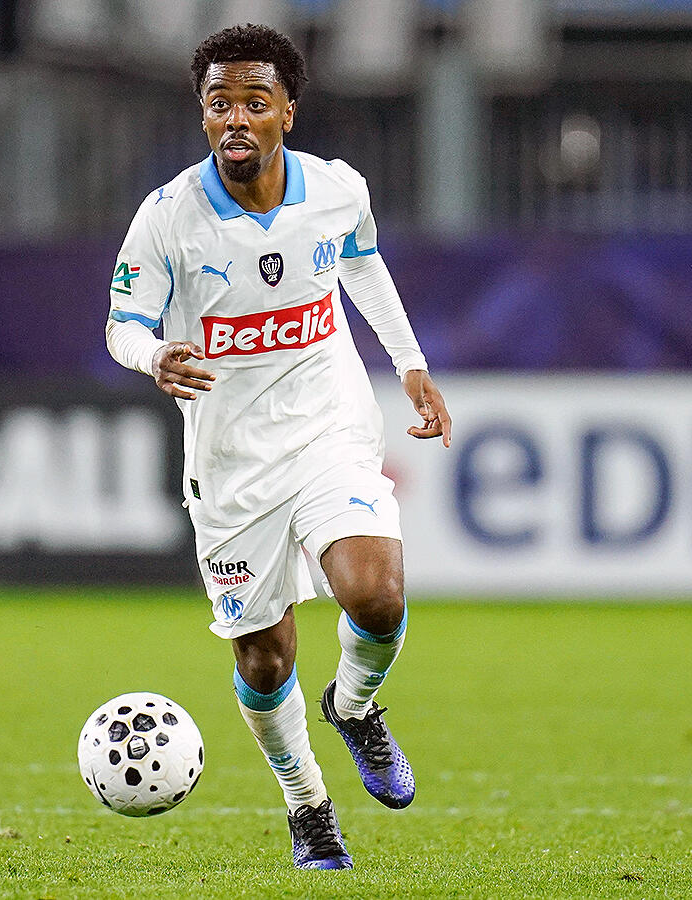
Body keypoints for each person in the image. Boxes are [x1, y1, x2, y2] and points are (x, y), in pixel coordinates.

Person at [105, 23, 451, 870]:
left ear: (287, 112)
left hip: (329, 428)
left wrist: (410, 365)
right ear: (203, 114)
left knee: (376, 595)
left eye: (254, 102)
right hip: (230, 464)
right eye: (218, 103)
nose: (235, 118)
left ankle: (355, 707)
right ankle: (308, 807)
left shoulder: (336, 189)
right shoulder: (168, 217)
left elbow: (362, 262)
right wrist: (155, 355)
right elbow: (122, 324)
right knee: (265, 658)